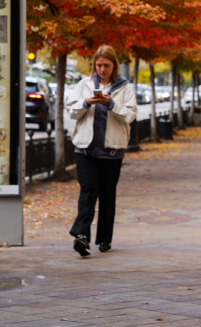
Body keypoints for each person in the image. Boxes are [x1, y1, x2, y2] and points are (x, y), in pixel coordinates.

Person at [66, 45, 138, 257]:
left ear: (114, 65)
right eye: (98, 65)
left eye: (106, 65)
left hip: (112, 151)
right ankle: (82, 236)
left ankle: (105, 238)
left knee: (107, 194)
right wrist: (86, 102)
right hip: (85, 149)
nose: (102, 69)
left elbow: (131, 115)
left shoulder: (124, 88)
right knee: (88, 190)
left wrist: (112, 104)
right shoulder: (84, 84)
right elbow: (71, 111)